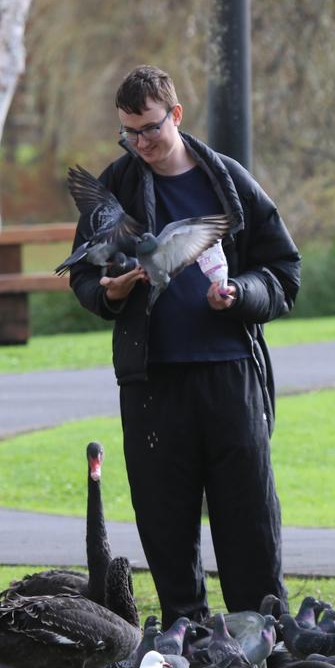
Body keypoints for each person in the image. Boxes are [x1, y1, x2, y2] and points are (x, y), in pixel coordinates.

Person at [68, 65, 299, 626]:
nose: (140, 144)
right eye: (129, 132)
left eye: (149, 128)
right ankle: (185, 637)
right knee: (165, 518)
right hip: (152, 380)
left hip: (231, 373)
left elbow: (284, 272)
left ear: (175, 114)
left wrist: (241, 293)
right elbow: (82, 278)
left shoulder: (229, 180)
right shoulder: (117, 181)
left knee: (247, 514)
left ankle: (261, 632)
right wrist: (110, 293)